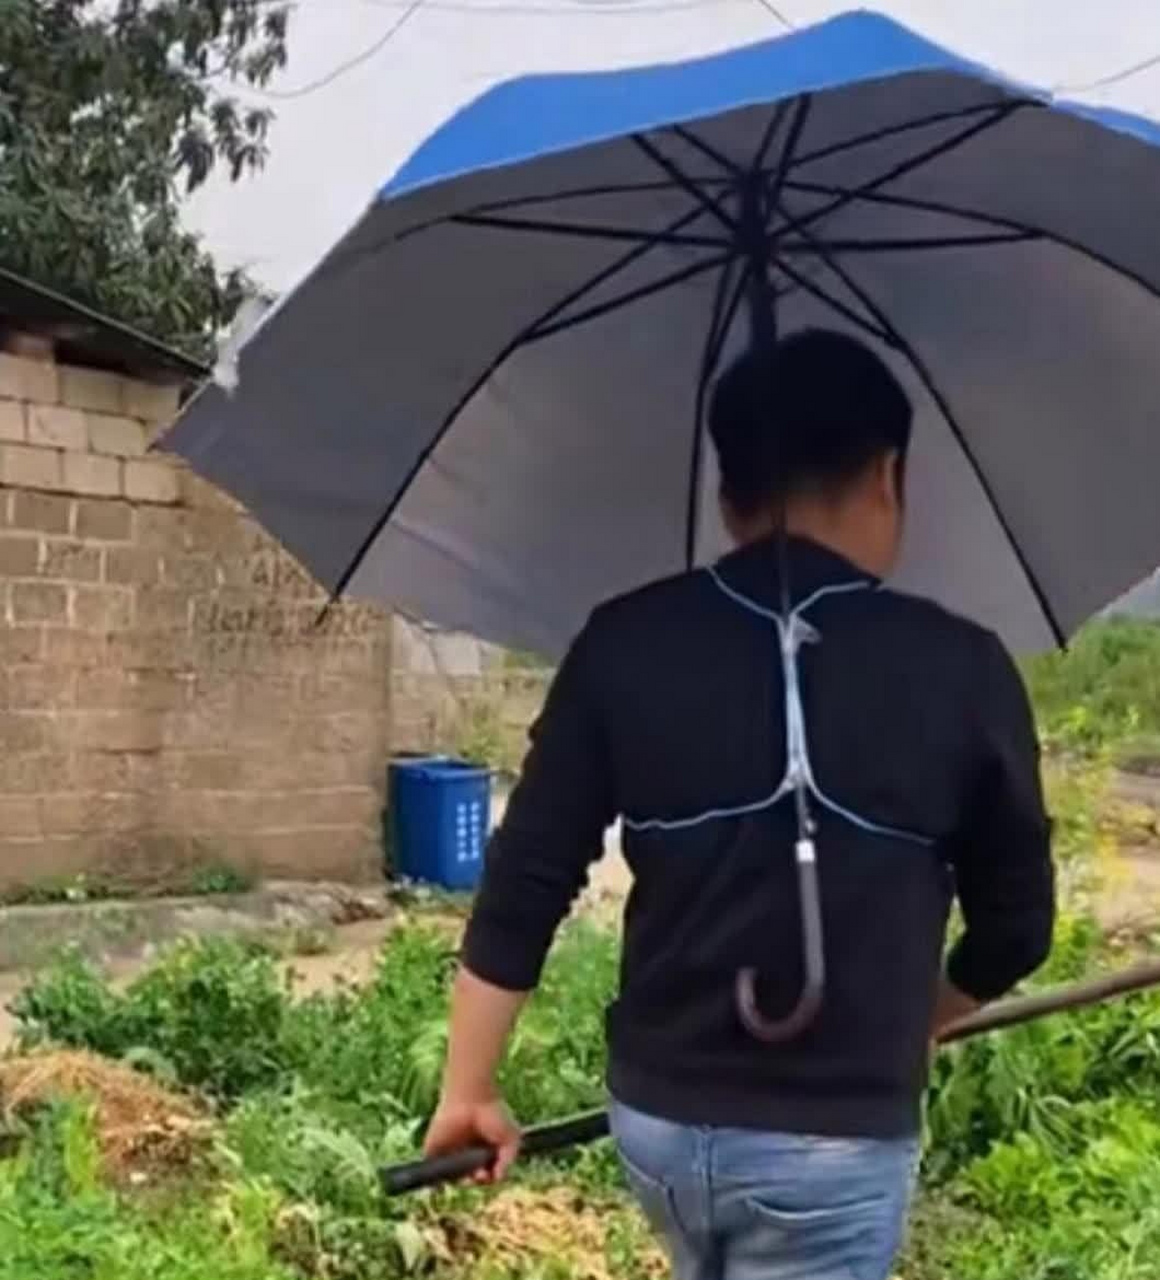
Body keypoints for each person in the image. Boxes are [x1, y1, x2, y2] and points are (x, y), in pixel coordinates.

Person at [422, 328, 1055, 1280]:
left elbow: (526, 878)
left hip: (660, 1129)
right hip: (835, 1150)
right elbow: (1019, 928)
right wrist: (915, 1017)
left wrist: (468, 1086)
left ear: (728, 497)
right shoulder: (964, 668)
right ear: (889, 476)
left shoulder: (625, 643)